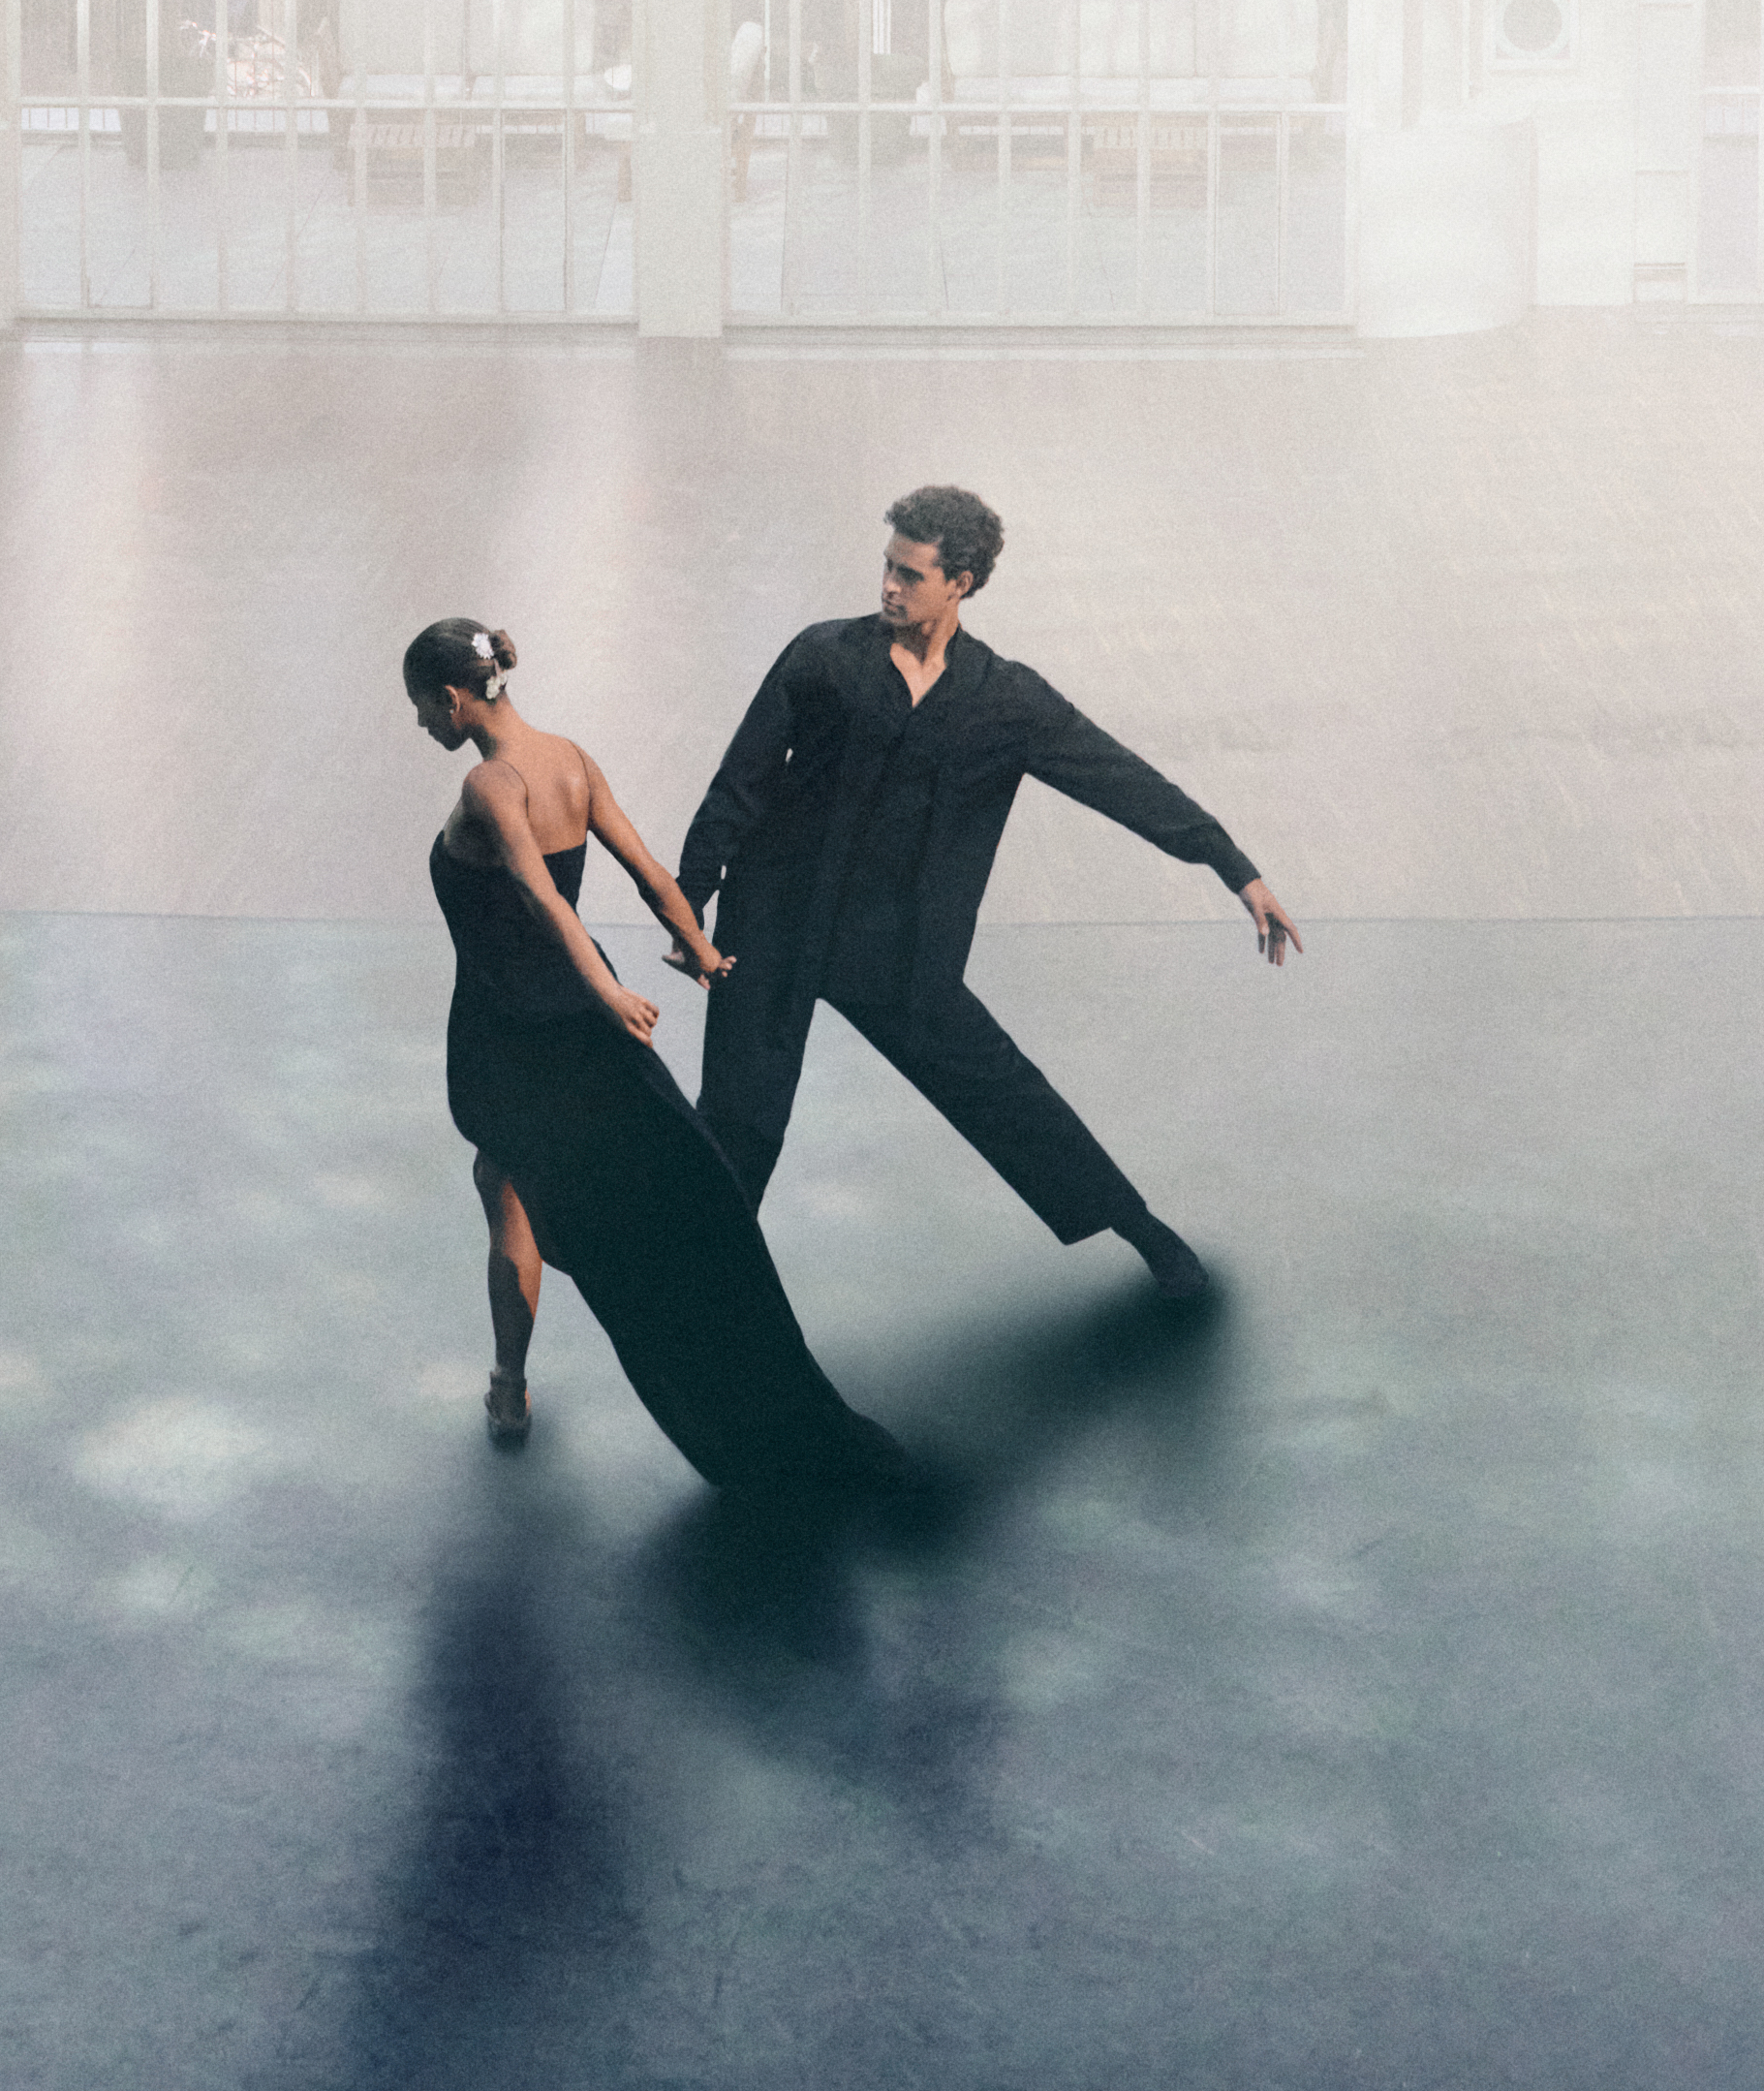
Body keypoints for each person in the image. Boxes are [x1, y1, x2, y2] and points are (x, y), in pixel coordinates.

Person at [681, 484, 1295, 1303]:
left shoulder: (1006, 700)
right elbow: (741, 782)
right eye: (887, 567)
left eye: (909, 573)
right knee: (739, 1118)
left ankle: (1141, 1230)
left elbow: (1121, 781)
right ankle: (712, 1293)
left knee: (1002, 1092)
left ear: (960, 582)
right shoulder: (820, 657)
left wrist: (1234, 868)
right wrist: (689, 901)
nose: (888, 586)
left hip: (895, 948)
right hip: (775, 925)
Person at [405, 616, 902, 1499]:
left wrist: (610, 993)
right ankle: (518, 1372)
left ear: (450, 697)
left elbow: (538, 899)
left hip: (512, 1032)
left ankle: (509, 1389)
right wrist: (696, 948)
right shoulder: (571, 759)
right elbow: (647, 870)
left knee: (508, 1194)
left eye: (419, 710)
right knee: (523, 1187)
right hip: (575, 1021)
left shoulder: (491, 784)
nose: (420, 728)